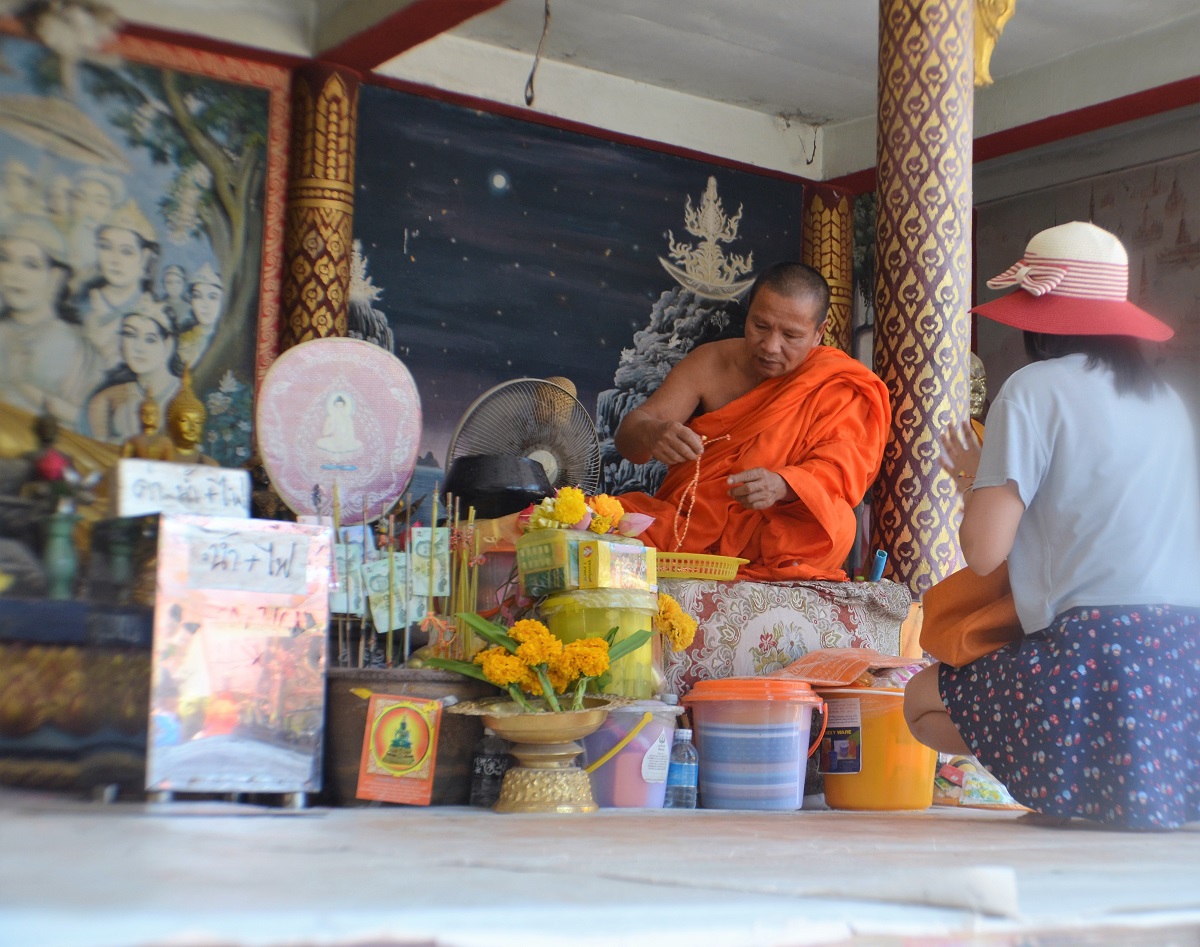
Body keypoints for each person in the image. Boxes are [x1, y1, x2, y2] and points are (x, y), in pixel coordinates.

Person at [904, 221, 1200, 831]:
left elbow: (984, 552)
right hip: (1184, 653)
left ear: (1039, 316)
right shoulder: (1167, 402)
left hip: (1091, 650)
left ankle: (1066, 784)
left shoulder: (1032, 389)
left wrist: (974, 481)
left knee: (918, 703)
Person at [613, 262, 891, 582]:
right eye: (760, 326)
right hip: (691, 524)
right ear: (748, 313)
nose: (771, 346)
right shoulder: (711, 363)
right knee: (600, 519)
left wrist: (785, 485)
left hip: (774, 533)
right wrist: (652, 432)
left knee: (838, 521)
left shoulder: (836, 383)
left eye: (791, 335)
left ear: (819, 332)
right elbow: (629, 440)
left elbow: (841, 468)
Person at [0, 215, 101, 428]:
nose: (13, 274)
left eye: (31, 265)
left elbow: (88, 426)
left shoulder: (76, 348)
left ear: (56, 277)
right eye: (5, 260)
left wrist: (24, 386)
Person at [87, 294, 182, 443]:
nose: (138, 348)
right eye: (130, 335)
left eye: (150, 339)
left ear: (169, 345)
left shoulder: (184, 395)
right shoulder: (107, 399)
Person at [79, 199, 160, 372]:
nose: (114, 260)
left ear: (145, 257)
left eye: (126, 251)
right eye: (106, 247)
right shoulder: (82, 303)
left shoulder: (154, 312)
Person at [163, 367, 218, 466]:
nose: (192, 427)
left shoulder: (209, 464)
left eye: (197, 422)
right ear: (172, 424)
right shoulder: (159, 461)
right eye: (185, 420)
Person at [176, 262, 223, 367]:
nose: (204, 304)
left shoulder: (227, 337)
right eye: (197, 296)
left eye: (212, 297)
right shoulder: (184, 339)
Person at [119, 396, 174, 461]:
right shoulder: (132, 441)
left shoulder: (165, 443)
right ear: (139, 415)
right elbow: (124, 463)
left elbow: (169, 464)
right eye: (144, 413)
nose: (148, 416)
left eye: (152, 413)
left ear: (158, 416)